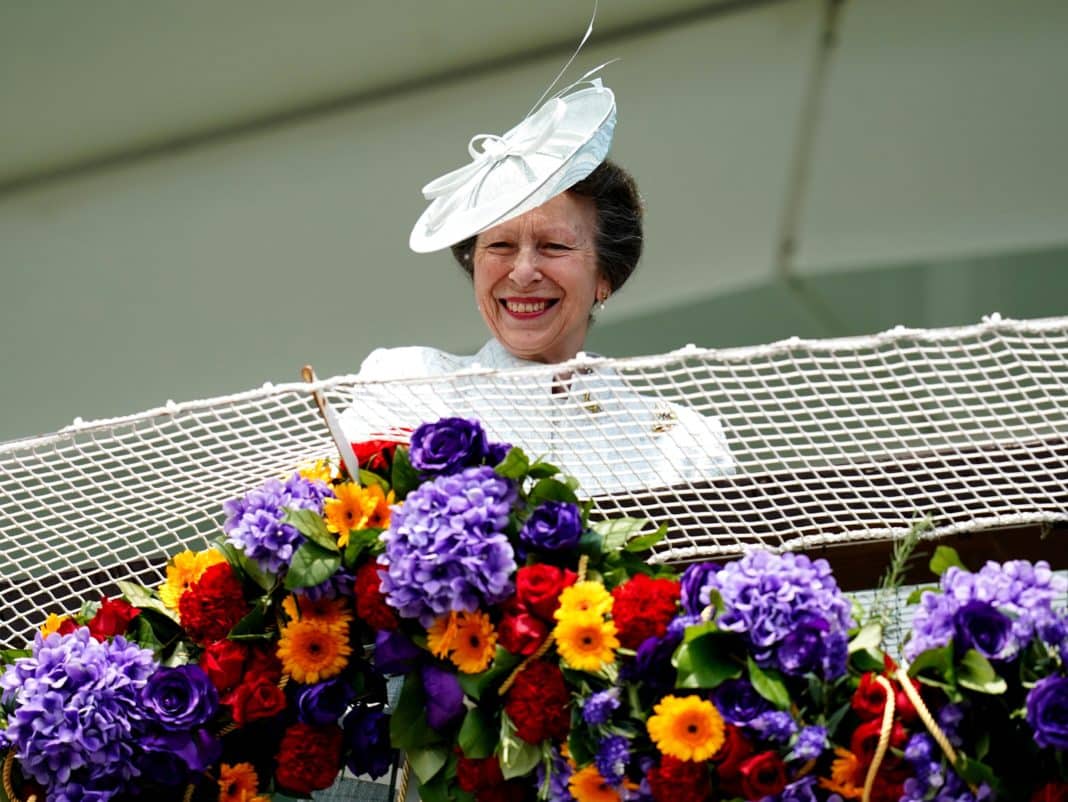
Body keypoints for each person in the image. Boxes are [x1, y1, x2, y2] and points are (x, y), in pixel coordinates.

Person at [341, 72, 732, 496]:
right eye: (502, 246)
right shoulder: (407, 385)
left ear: (605, 276)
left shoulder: (680, 443)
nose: (523, 272)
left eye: (554, 246)